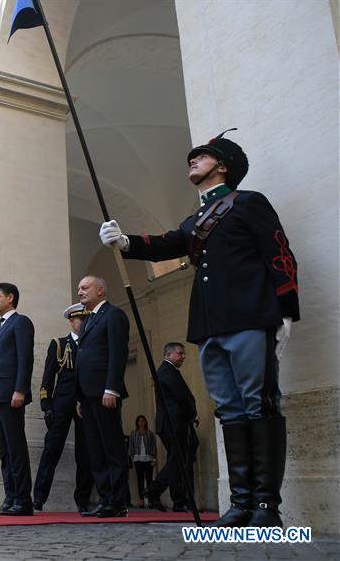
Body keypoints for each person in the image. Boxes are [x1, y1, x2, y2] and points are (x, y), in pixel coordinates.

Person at [99, 130, 299, 527]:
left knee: (259, 405)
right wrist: (125, 242)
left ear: (222, 165)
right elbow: (169, 242)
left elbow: (279, 254)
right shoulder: (197, 219)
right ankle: (241, 503)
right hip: (209, 326)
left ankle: (266, 507)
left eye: (201, 156)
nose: (192, 160)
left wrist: (286, 313)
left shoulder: (248, 203)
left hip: (249, 318)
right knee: (229, 410)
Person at [75, 276, 131, 518]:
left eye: (84, 288)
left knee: (112, 448)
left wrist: (112, 388)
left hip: (104, 392)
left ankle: (117, 501)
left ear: (100, 289)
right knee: (95, 449)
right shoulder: (89, 320)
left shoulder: (113, 315)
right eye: (78, 289)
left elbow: (117, 354)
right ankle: (105, 498)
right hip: (87, 396)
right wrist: (79, 397)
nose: (80, 292)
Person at [32, 303, 94, 513]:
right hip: (62, 404)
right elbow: (48, 379)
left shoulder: (92, 344)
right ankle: (39, 498)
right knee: (51, 450)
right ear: (71, 321)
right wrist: (46, 406)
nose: (84, 323)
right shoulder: (59, 344)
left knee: (85, 453)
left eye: (87, 320)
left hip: (85, 406)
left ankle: (83, 501)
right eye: (81, 320)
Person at [0, 283, 35, 516]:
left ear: (10, 298)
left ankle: (23, 500)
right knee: (4, 450)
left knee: (15, 449)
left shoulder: (20, 322)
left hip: (12, 395)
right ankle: (10, 497)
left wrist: (20, 390)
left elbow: (25, 358)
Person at [146, 342, 198, 513]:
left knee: (177, 461)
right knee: (177, 461)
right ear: (168, 354)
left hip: (171, 423)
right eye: (180, 353)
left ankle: (179, 501)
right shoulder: (167, 371)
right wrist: (192, 414)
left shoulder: (167, 371)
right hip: (173, 424)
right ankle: (154, 490)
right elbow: (182, 397)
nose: (183, 356)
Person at [128, 415, 157, 508]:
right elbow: (131, 446)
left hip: (148, 458)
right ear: (137, 422)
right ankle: (141, 500)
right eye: (139, 421)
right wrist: (132, 457)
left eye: (143, 420)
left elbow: (153, 446)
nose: (141, 422)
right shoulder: (133, 433)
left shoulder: (150, 433)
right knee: (140, 480)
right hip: (138, 459)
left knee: (149, 480)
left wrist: (154, 458)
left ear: (145, 422)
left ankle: (150, 500)